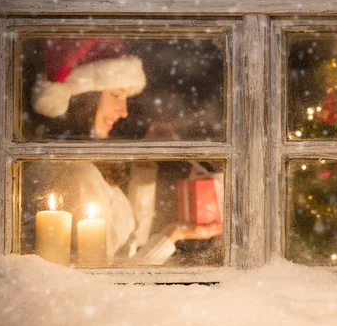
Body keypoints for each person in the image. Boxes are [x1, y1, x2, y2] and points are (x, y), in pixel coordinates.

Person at [26, 37, 223, 265]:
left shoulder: (82, 167)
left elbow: (127, 245)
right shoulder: (76, 175)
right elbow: (112, 275)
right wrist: (171, 236)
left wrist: (145, 165)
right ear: (84, 99)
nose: (123, 111)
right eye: (116, 95)